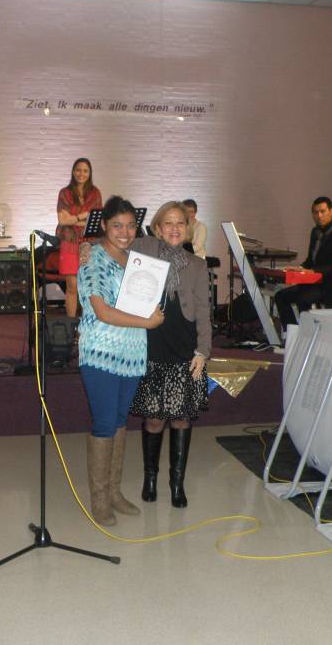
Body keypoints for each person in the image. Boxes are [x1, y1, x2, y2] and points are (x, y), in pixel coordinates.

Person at [76, 196, 163, 526]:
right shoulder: (92, 259)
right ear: (104, 226)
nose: (124, 232)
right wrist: (148, 322)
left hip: (131, 352)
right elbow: (102, 311)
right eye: (117, 226)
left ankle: (113, 492)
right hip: (101, 352)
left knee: (119, 420)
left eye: (129, 226)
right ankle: (99, 499)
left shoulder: (136, 260)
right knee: (103, 423)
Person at [129, 202, 211, 508]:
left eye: (180, 223)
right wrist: (88, 250)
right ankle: (149, 478)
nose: (175, 228)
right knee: (153, 419)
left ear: (187, 228)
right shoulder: (144, 251)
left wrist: (203, 350)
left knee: (180, 418)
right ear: (158, 228)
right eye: (168, 223)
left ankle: (177, 483)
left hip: (184, 349)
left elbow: (203, 312)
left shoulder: (197, 265)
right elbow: (114, 240)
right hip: (152, 345)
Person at [274, 196, 332, 328]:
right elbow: (311, 260)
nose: (319, 216)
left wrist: (312, 271)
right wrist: (299, 268)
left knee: (303, 299)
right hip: (313, 283)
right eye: (315, 212)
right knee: (280, 296)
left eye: (322, 211)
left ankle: (307, 331)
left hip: (329, 285)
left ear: (331, 211)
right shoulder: (316, 233)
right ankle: (292, 332)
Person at [56, 158, 102, 318]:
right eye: (78, 170)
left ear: (90, 173)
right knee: (72, 286)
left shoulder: (95, 193)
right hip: (69, 242)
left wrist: (72, 219)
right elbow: (63, 221)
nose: (81, 174)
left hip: (89, 243)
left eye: (85, 171)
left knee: (88, 285)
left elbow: (96, 220)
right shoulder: (65, 193)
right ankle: (71, 324)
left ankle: (86, 323)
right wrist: (82, 216)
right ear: (73, 172)